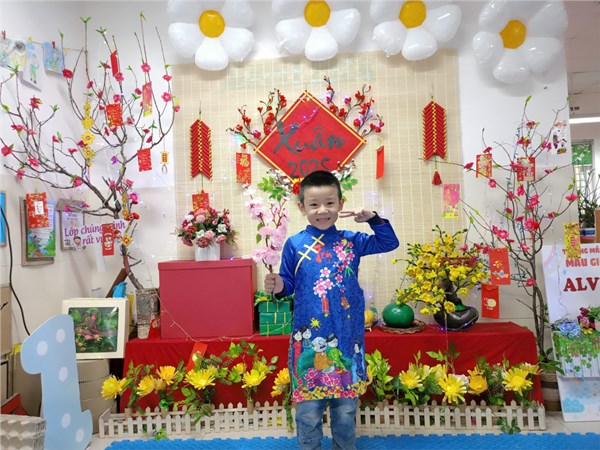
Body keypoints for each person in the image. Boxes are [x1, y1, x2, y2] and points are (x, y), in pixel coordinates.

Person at [264, 170, 399, 450]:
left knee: (346, 410)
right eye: (314, 204)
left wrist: (372, 218)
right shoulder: (295, 244)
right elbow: (288, 284)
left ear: (340, 203)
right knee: (308, 411)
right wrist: (277, 285)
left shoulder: (353, 240)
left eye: (329, 203)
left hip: (346, 338)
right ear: (302, 207)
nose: (322, 210)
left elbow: (389, 242)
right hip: (309, 336)